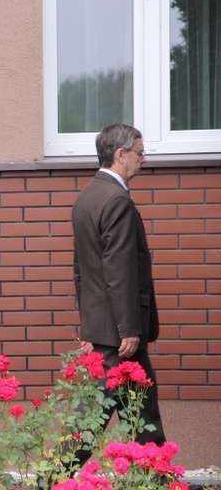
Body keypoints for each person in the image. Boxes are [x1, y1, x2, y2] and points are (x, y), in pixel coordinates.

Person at [70, 123, 166, 468]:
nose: (144, 160)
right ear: (120, 155)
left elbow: (81, 270)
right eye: (140, 153)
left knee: (142, 412)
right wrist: (128, 328)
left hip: (103, 327)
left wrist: (89, 327)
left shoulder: (87, 198)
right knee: (93, 417)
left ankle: (159, 478)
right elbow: (119, 269)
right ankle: (53, 478)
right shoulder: (116, 200)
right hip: (119, 334)